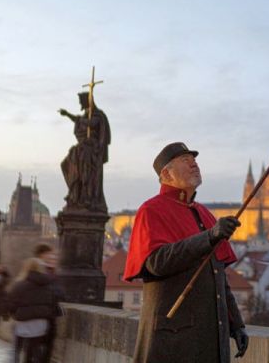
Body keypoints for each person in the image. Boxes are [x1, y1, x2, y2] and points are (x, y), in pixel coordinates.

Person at [124, 142, 249, 363]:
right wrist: (209, 236)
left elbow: (217, 275)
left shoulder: (202, 212)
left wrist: (236, 324)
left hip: (212, 342)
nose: (194, 163)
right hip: (175, 341)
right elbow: (156, 262)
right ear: (166, 173)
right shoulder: (151, 210)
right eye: (185, 160)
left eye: (194, 160)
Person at [59, 91, 111, 210]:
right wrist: (67, 114)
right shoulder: (86, 115)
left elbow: (91, 123)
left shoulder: (97, 114)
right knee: (65, 164)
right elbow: (79, 120)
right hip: (82, 148)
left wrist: (80, 120)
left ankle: (86, 196)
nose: (80, 104)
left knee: (84, 166)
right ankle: (74, 193)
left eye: (81, 102)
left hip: (91, 149)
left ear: (87, 102)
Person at [7, 255, 59, 363]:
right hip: (41, 323)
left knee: (17, 349)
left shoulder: (19, 285)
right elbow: (52, 303)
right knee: (35, 350)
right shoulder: (48, 285)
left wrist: (15, 314)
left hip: (23, 323)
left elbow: (11, 304)